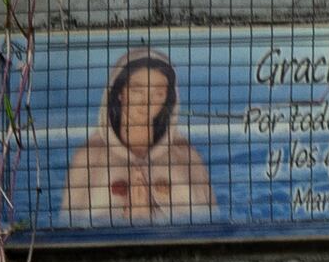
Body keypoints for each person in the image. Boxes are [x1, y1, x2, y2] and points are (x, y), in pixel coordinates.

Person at [58, 49, 216, 220]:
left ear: (168, 99)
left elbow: (211, 224)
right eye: (137, 90)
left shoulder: (186, 157)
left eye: (158, 93)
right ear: (119, 92)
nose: (146, 102)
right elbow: (69, 228)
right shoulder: (88, 158)